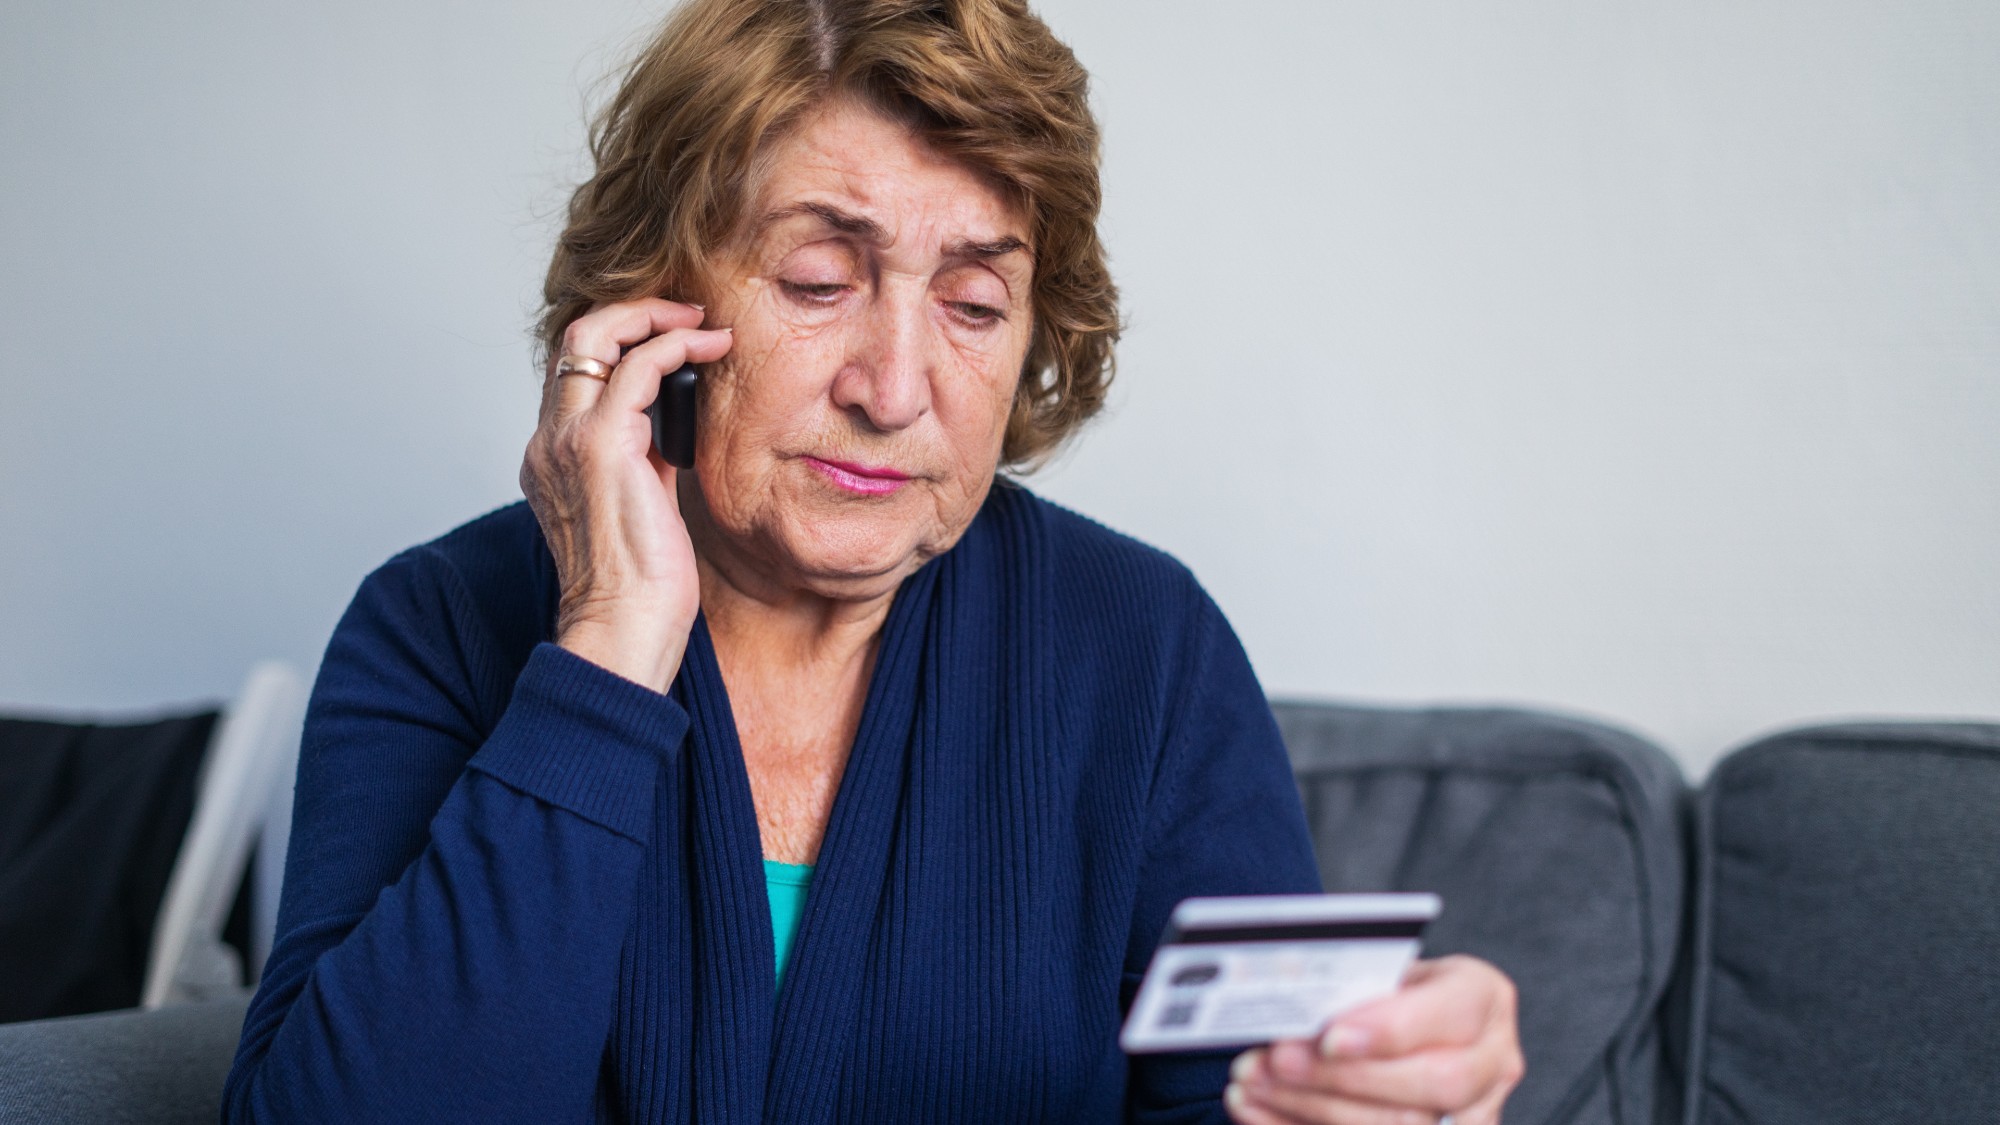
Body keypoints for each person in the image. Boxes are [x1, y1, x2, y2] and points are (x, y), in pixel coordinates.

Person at [223, 0, 1523, 1121]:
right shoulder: (439, 625)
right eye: (815, 278)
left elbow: (1245, 1098)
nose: (897, 388)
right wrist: (609, 643)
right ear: (653, 300)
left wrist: (1380, 1088)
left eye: (971, 305)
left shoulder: (1146, 649)